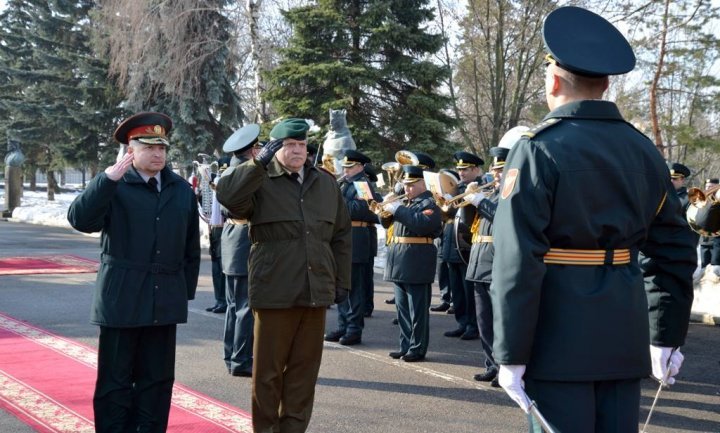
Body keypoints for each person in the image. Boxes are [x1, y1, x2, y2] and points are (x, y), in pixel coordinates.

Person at [490, 7, 696, 432]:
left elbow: (517, 263)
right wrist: (666, 332)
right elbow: (674, 249)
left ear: (553, 81)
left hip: (556, 337)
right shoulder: (643, 151)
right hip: (624, 333)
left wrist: (510, 353)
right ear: (605, 84)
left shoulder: (537, 149)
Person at [215, 118, 352, 433]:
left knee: (304, 371)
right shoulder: (260, 180)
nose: (298, 151)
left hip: (315, 288)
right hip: (275, 288)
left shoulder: (325, 183)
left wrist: (342, 282)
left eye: (302, 145)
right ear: (273, 148)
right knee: (268, 373)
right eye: (289, 145)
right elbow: (227, 196)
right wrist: (257, 165)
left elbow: (342, 237)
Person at [67, 112, 201, 432]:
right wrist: (105, 180)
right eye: (149, 147)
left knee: (157, 381)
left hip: (164, 299)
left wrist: (183, 293)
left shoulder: (180, 189)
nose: (158, 154)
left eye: (162, 148)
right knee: (116, 381)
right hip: (121, 299)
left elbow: (191, 246)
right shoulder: (114, 184)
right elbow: (80, 220)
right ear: (131, 150)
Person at [462, 127, 527, 388]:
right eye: (495, 170)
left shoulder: (512, 195)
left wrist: (478, 201)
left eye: (501, 170)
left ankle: (503, 366)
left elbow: (502, 219)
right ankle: (490, 364)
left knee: (501, 322)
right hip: (479, 262)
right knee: (484, 321)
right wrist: (469, 201)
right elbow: (469, 227)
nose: (496, 174)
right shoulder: (490, 193)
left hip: (498, 263)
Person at [380, 165, 442, 362]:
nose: (407, 189)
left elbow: (422, 225)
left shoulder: (429, 202)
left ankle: (417, 347)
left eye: (412, 185)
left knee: (417, 310)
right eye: (405, 185)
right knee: (403, 309)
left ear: (422, 183)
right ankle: (405, 345)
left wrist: (397, 209)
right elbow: (387, 224)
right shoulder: (405, 202)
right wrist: (386, 210)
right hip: (399, 258)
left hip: (417, 259)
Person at [325, 150, 381, 345]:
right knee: (341, 285)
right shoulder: (344, 183)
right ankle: (343, 326)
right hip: (342, 238)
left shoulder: (363, 184)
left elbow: (363, 209)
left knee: (354, 288)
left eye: (350, 167)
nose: (346, 170)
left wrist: (335, 201)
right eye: (346, 167)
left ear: (360, 167)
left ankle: (354, 329)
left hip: (356, 238)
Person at [219, 123, 262, 377]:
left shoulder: (229, 171)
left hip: (233, 240)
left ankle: (231, 355)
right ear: (252, 150)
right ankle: (241, 360)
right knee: (246, 306)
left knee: (234, 305)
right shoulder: (245, 173)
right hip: (244, 240)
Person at [442, 152, 483, 341]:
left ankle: (473, 325)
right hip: (452, 243)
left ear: (475, 169)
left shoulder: (480, 188)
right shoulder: (457, 187)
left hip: (468, 244)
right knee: (457, 289)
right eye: (459, 169)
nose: (461, 172)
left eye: (465, 169)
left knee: (469, 290)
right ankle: (462, 322)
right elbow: (447, 214)